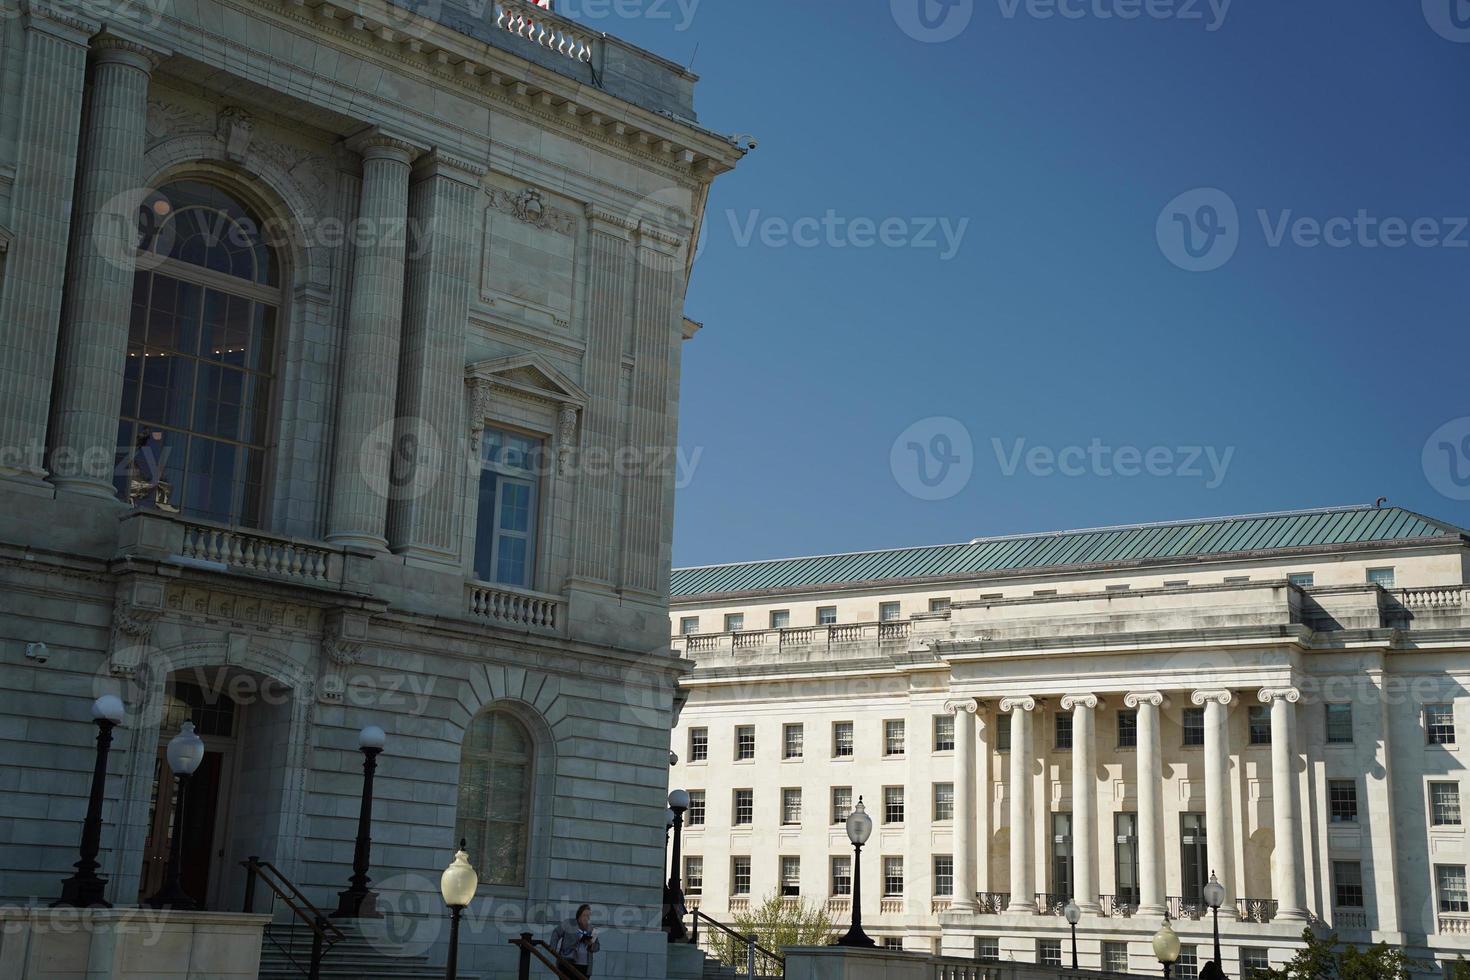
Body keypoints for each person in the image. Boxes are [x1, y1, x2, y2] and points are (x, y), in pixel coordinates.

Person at [551, 904, 600, 979]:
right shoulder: (568, 923)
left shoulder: (591, 928)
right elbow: (556, 933)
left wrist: (591, 945)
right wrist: (553, 948)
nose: (586, 918)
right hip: (568, 962)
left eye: (588, 915)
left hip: (585, 966)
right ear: (579, 914)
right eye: (584, 915)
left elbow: (597, 946)